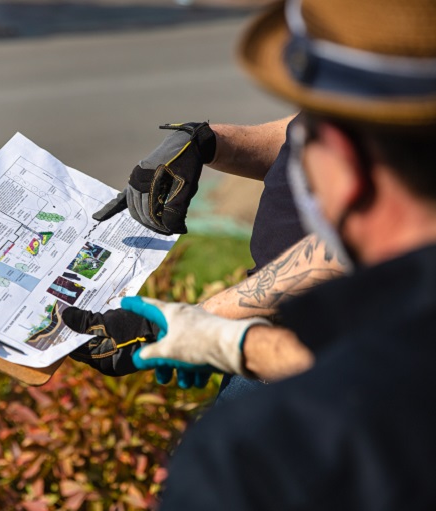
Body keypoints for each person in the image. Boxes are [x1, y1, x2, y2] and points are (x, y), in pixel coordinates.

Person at [118, 0, 436, 507]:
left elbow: (371, 378)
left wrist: (216, 320)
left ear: (347, 170)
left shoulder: (260, 456)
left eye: (311, 143)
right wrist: (207, 141)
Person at [64, 114, 345, 393]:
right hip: (267, 345)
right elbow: (306, 134)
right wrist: (206, 141)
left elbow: (351, 249)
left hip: (333, 362)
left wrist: (201, 322)